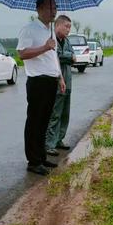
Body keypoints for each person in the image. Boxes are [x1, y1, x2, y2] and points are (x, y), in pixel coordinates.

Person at [17, 0, 65, 175]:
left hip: (51, 80)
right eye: (49, 7)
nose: (53, 11)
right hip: (37, 81)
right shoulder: (29, 29)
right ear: (38, 9)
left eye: (55, 7)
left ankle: (42, 156)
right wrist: (44, 47)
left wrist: (60, 77)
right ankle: (33, 160)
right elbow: (21, 54)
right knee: (35, 122)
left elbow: (53, 57)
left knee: (45, 121)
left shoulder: (50, 30)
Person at [46, 15, 74, 156]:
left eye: (69, 27)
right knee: (55, 115)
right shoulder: (52, 41)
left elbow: (73, 57)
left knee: (65, 114)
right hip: (57, 83)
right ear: (57, 25)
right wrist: (67, 56)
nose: (68, 29)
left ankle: (59, 139)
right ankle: (49, 143)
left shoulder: (67, 41)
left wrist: (66, 56)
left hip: (68, 81)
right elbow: (55, 57)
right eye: (66, 26)